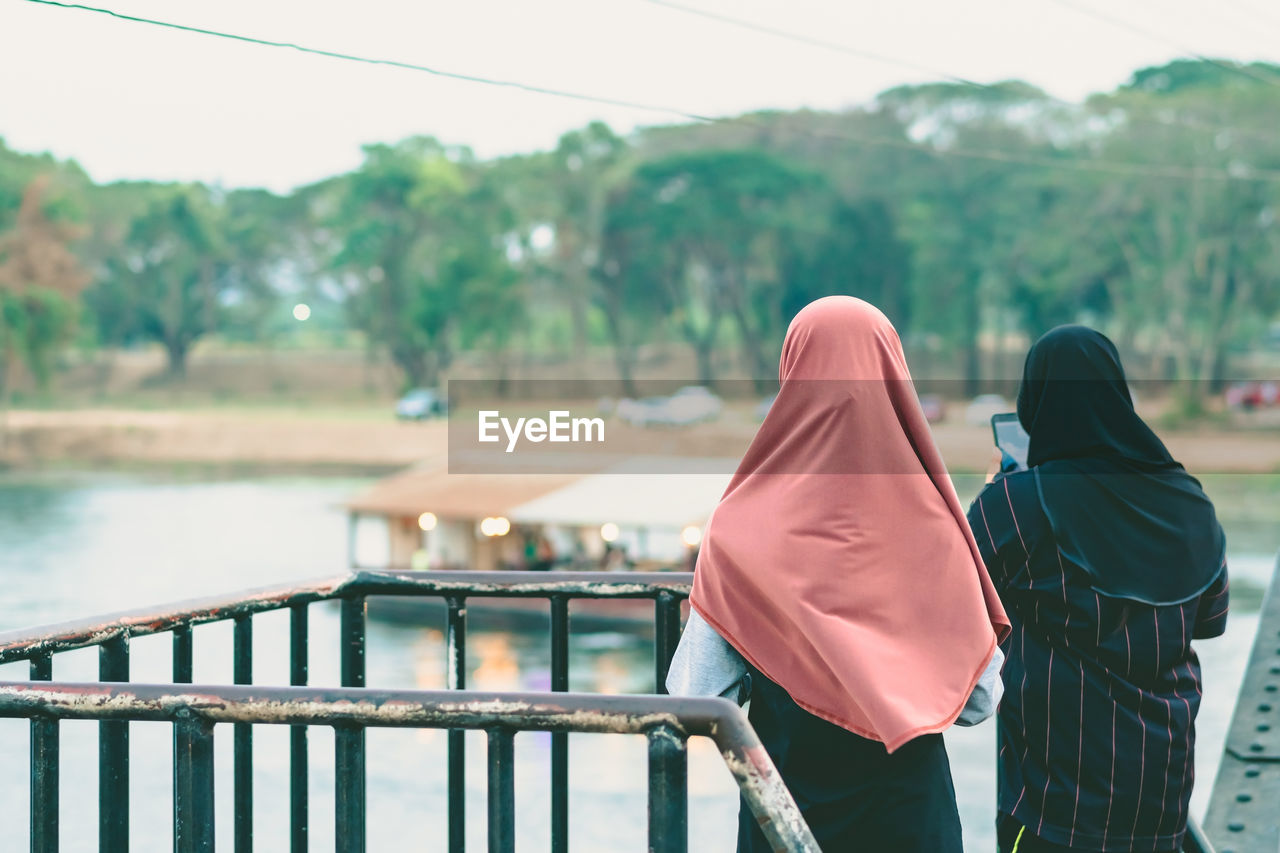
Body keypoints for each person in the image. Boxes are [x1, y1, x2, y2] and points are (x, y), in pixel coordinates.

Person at [685, 296, 1010, 852]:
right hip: (911, 819)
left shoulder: (739, 529)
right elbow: (979, 701)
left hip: (784, 816)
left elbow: (697, 693)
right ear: (892, 373)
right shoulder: (935, 527)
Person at [967, 326, 1229, 853]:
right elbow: (1211, 618)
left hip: (1050, 807)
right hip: (1160, 804)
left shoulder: (1015, 505)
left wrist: (1003, 487)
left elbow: (964, 608)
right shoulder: (1188, 502)